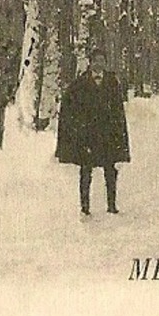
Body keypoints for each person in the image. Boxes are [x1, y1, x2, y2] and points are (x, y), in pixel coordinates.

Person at [55, 52, 131, 216]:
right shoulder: (80, 83)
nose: (99, 64)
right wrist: (77, 128)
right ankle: (85, 207)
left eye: (102, 61)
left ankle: (111, 205)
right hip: (87, 135)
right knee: (85, 170)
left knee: (110, 170)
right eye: (96, 61)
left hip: (107, 134)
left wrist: (119, 135)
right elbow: (69, 106)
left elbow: (118, 110)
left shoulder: (112, 83)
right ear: (90, 63)